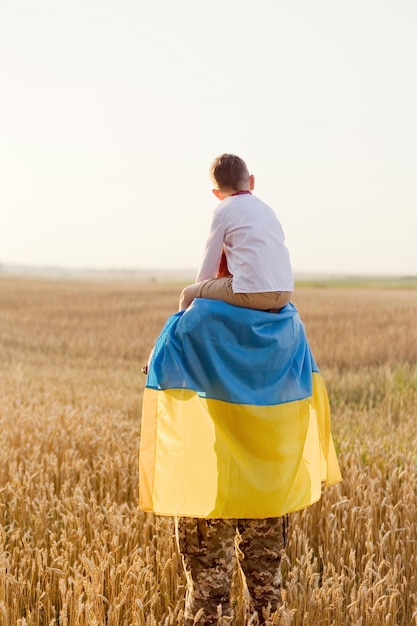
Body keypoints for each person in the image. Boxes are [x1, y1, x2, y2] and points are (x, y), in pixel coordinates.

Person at [179, 153, 294, 312]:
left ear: (217, 193)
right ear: (252, 181)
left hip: (251, 291)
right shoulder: (267, 210)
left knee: (187, 294)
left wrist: (200, 288)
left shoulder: (223, 210)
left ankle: (179, 337)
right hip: (285, 291)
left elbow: (209, 263)